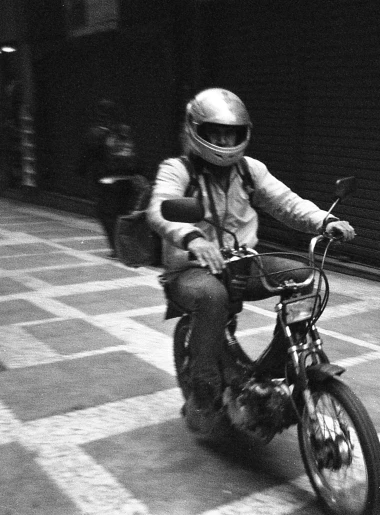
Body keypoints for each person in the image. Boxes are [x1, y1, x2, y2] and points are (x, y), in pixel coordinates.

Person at [146, 88, 355, 435]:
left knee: (303, 277)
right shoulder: (177, 169)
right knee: (213, 297)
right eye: (216, 132)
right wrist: (192, 238)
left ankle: (279, 363)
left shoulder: (250, 170)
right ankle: (203, 390)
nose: (225, 140)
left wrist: (324, 221)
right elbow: (159, 207)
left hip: (242, 263)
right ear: (198, 130)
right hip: (191, 269)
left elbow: (286, 202)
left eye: (232, 132)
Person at [76, 99, 139, 257]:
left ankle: (118, 248)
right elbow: (134, 153)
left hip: (107, 182)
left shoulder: (95, 133)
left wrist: (80, 172)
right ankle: (129, 246)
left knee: (107, 215)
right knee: (124, 213)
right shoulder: (124, 130)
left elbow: (84, 158)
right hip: (127, 180)